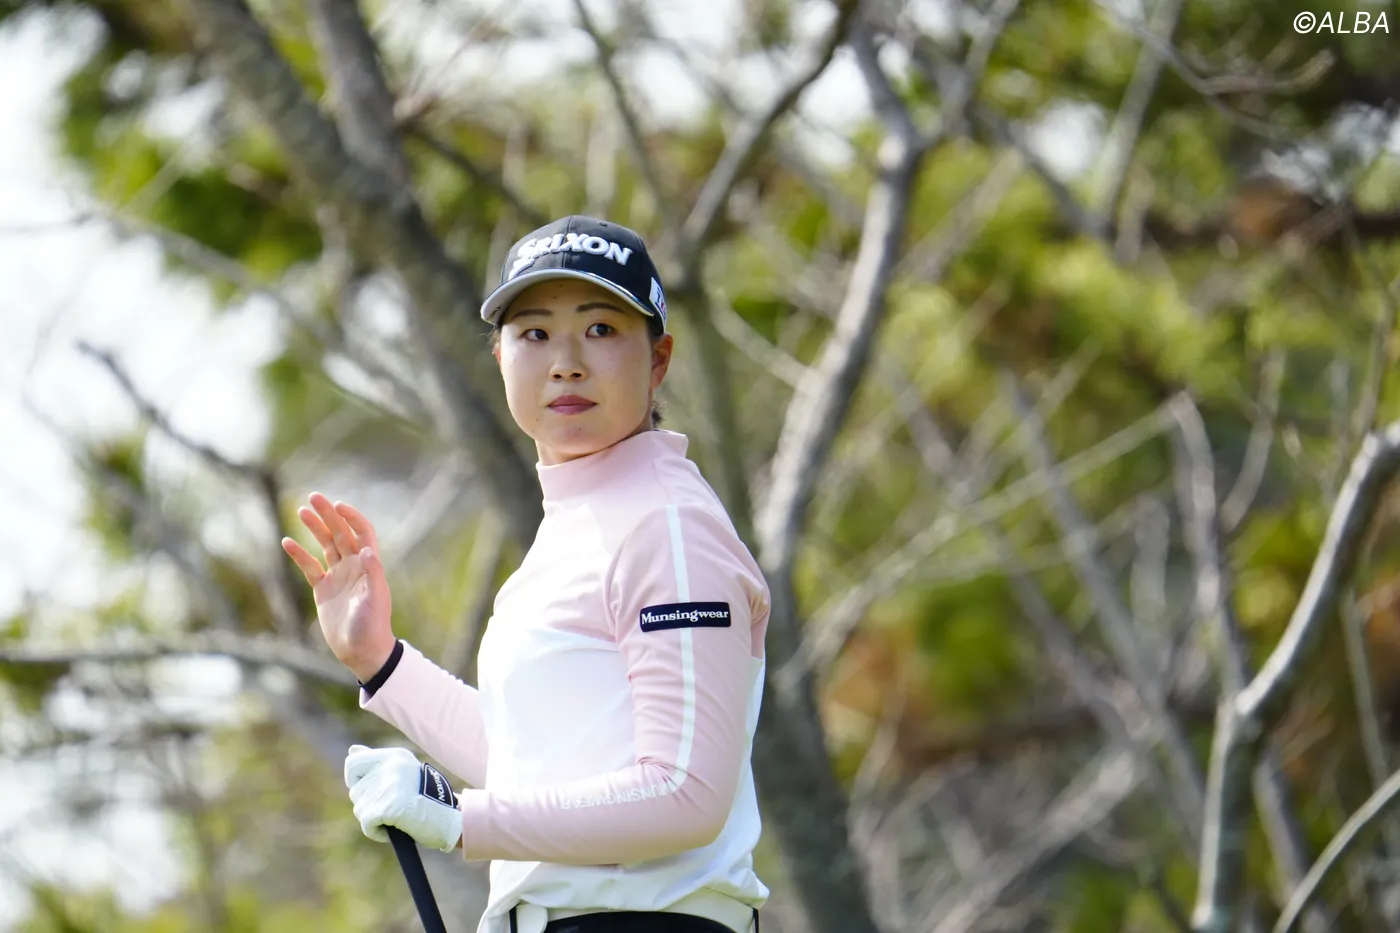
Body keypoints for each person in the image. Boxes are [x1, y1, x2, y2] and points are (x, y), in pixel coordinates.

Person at [281, 216, 771, 933]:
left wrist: (460, 818)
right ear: (501, 357)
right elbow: (537, 767)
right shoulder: (573, 533)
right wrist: (380, 661)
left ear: (658, 360)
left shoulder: (667, 525)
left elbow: (685, 794)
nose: (566, 362)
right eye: (535, 333)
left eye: (600, 329)